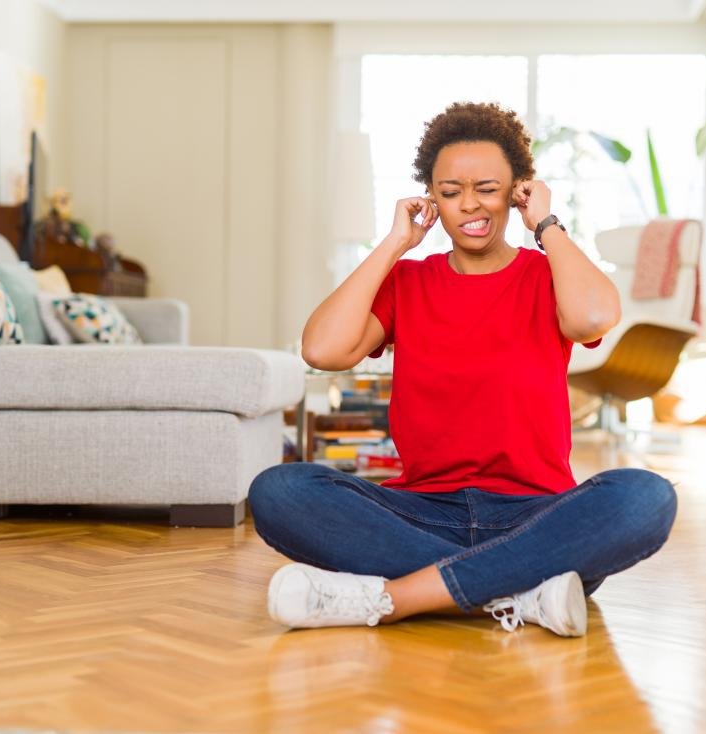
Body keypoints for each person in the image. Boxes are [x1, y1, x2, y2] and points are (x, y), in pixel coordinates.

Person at [249, 102, 677, 636]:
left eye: (488, 189)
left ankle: (398, 596)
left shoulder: (549, 275)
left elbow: (594, 315)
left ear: (518, 190)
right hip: (422, 511)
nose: (469, 204)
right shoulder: (407, 282)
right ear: (432, 199)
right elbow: (321, 350)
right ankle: (523, 592)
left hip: (535, 516)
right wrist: (395, 242)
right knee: (280, 491)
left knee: (645, 496)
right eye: (450, 192)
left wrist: (545, 223)